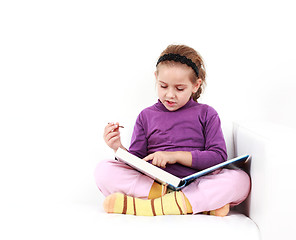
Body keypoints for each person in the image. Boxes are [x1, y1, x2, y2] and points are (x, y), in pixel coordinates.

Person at [94, 44, 250, 216]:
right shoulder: (146, 116)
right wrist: (118, 148)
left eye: (179, 89)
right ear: (156, 78)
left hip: (198, 181)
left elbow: (218, 156)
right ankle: (191, 204)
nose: (169, 95)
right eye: (163, 86)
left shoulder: (207, 114)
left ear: (196, 85)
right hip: (155, 184)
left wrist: (173, 156)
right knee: (104, 170)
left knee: (241, 180)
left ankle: (152, 206)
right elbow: (137, 161)